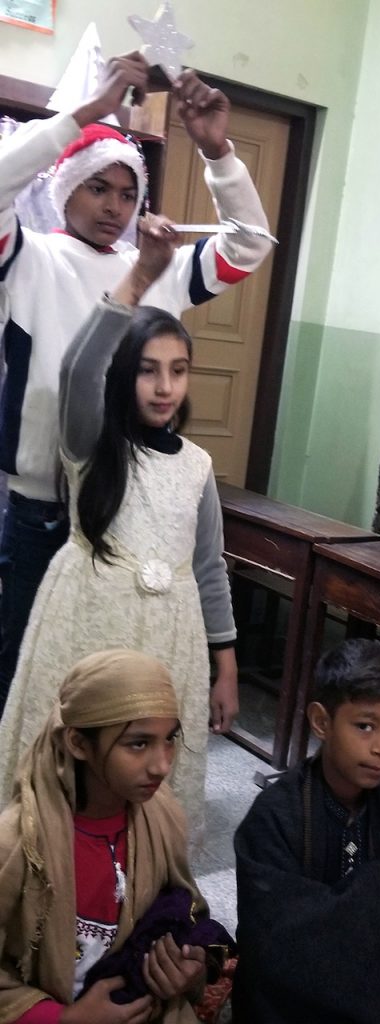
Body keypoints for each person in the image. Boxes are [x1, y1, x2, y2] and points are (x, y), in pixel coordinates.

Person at [0, 50, 272, 702]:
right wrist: (85, 115)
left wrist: (217, 152)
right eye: (99, 188)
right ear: (67, 187)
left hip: (128, 511)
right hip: (42, 511)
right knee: (30, 677)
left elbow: (249, 244)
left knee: (108, 680)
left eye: (128, 193)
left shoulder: (158, 263)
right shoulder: (29, 257)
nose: (115, 207)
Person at [0, 216, 237, 847]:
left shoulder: (197, 465)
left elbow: (209, 567)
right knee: (79, 754)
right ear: (123, 373)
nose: (165, 387)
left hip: (171, 632)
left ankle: (134, 880)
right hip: (88, 622)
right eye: (148, 370)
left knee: (145, 763)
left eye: (179, 370)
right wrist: (139, 278)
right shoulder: (91, 444)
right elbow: (81, 370)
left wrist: (227, 665)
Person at [232, 638, 380, 1024]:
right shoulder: (275, 817)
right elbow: (275, 948)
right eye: (365, 726)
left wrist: (341, 915)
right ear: (322, 721)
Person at [0, 646, 225, 1023]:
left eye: (170, 738)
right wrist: (63, 1019)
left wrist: (190, 967)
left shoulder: (162, 816)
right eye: (138, 743)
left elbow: (188, 913)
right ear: (77, 743)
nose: (162, 765)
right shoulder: (17, 844)